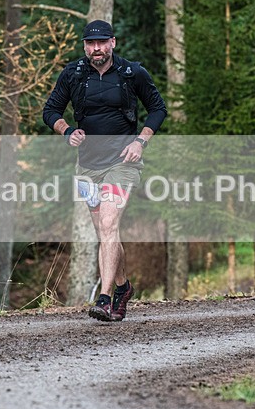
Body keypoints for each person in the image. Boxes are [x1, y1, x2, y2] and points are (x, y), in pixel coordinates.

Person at [43, 19, 167, 322]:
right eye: (90, 43)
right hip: (87, 165)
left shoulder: (132, 73)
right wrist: (66, 130)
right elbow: (51, 111)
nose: (96, 49)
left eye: (101, 43)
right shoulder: (72, 74)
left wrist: (140, 142)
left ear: (112, 42)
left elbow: (158, 109)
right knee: (105, 232)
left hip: (123, 162)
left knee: (110, 223)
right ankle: (124, 288)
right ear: (85, 46)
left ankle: (105, 297)